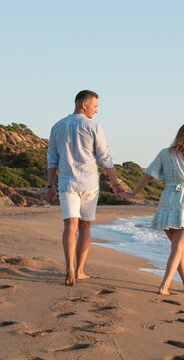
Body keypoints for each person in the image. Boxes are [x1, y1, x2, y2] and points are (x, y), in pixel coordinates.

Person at [46, 90, 125, 286]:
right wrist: (116, 184)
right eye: (95, 106)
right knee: (85, 226)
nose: (96, 111)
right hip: (89, 184)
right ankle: (80, 270)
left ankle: (69, 268)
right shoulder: (94, 126)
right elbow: (105, 159)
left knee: (69, 226)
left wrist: (49, 185)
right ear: (84, 105)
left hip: (66, 183)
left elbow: (52, 159)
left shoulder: (57, 126)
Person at [123, 122, 184, 295]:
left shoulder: (165, 154)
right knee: (178, 248)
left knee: (178, 248)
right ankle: (165, 285)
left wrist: (134, 192)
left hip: (167, 201)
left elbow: (149, 175)